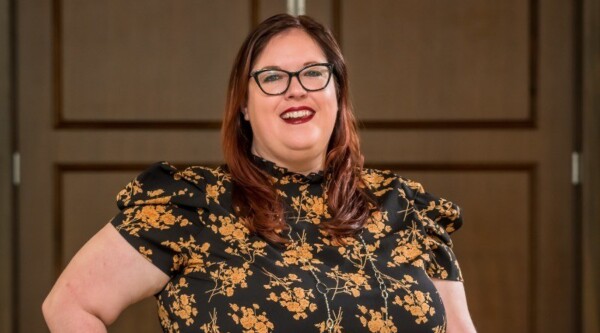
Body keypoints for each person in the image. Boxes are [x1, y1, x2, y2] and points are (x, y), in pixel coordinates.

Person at [42, 14, 477, 333]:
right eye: (272, 77)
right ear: (245, 106)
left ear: (337, 92)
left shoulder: (405, 208)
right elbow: (70, 305)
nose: (295, 88)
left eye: (313, 73)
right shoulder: (189, 205)